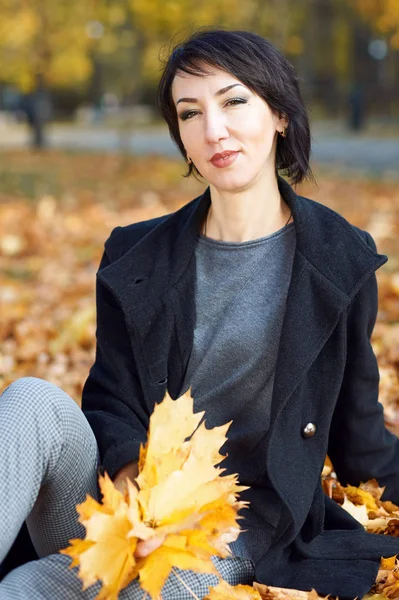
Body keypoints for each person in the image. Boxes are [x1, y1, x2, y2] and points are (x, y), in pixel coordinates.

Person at [1, 28, 399, 599]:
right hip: (123, 508)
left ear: (280, 114)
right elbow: (111, 401)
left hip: (233, 528)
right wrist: (136, 491)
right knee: (32, 402)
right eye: (190, 113)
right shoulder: (135, 255)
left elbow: (360, 435)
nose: (214, 130)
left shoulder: (340, 260)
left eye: (234, 101)